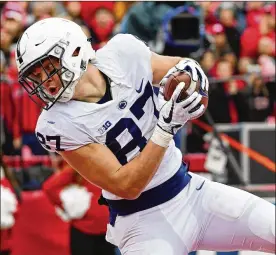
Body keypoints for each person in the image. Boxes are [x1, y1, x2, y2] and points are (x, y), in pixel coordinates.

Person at [15, 18, 275, 255]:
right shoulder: (56, 124)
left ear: (73, 50)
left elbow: (183, 70)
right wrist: (165, 127)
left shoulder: (123, 53)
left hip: (192, 194)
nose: (43, 82)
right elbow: (126, 185)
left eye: (46, 68)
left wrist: (192, 87)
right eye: (34, 76)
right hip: (144, 223)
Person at [43, 156, 117, 255]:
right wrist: (67, 207)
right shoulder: (77, 168)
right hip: (83, 231)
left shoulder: (109, 163)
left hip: (107, 231)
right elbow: (49, 187)